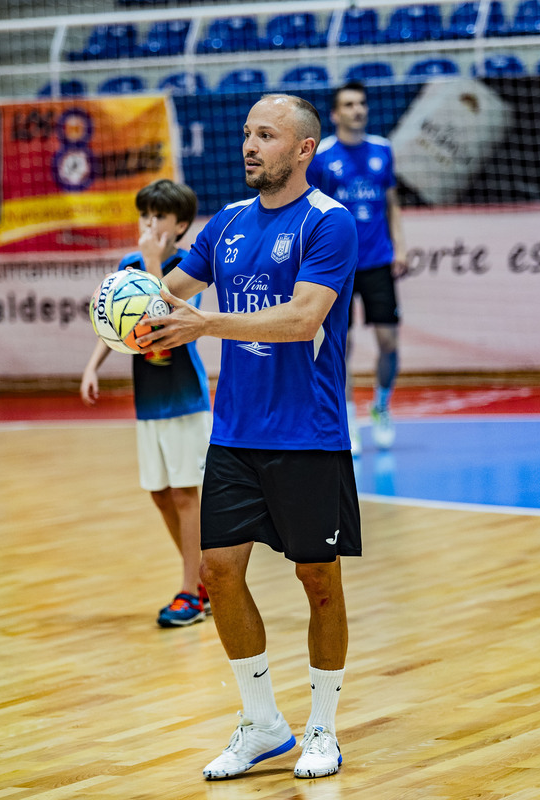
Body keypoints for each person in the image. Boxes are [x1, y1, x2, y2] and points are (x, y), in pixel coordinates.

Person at [137, 94, 360, 781]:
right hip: (234, 432)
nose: (250, 145)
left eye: (267, 134)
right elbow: (166, 295)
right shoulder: (227, 223)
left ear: (303, 150)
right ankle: (263, 721)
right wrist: (130, 294)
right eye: (246, 134)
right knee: (218, 572)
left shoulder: (331, 223)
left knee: (317, 580)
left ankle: (322, 727)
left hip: (308, 436)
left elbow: (300, 320)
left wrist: (207, 324)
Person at [80, 179, 212, 629]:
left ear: (180, 226)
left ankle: (189, 591)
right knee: (159, 494)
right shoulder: (127, 265)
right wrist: (93, 365)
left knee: (184, 494)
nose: (149, 224)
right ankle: (203, 580)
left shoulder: (186, 266)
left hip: (183, 398)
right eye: (145, 216)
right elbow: (113, 325)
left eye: (159, 217)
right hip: (149, 400)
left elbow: (163, 319)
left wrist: (155, 266)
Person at [307, 80, 407, 455]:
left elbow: (391, 202)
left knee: (389, 342)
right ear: (335, 114)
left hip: (379, 260)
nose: (357, 110)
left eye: (361, 103)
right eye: (349, 104)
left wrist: (401, 245)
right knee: (339, 346)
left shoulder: (383, 150)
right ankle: (346, 416)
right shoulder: (322, 157)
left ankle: (381, 406)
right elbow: (311, 210)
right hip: (338, 267)